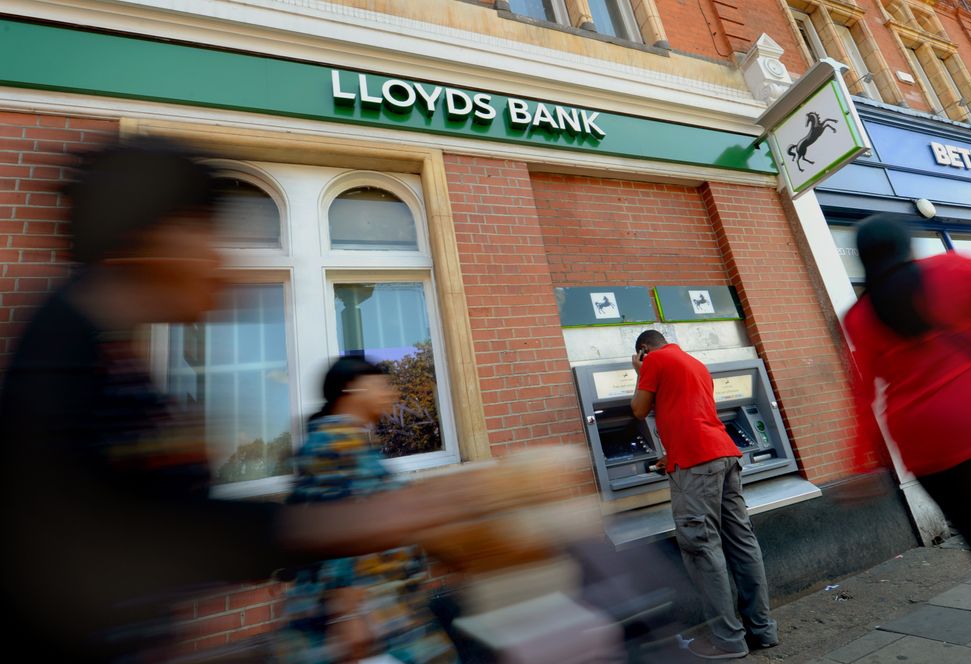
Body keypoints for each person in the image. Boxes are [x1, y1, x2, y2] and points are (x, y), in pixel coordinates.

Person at [0, 138, 561, 661]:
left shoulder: (102, 344)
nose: (226, 263)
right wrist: (398, 518)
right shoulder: (66, 349)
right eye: (212, 235)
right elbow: (153, 537)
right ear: (154, 237)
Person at [277, 357, 458, 663]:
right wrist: (346, 616)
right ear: (351, 387)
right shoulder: (334, 443)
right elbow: (334, 530)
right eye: (381, 385)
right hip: (363, 614)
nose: (391, 393)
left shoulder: (351, 441)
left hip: (383, 605)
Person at [630, 330, 777, 660]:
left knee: (701, 547)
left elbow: (639, 410)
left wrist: (639, 373)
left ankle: (727, 640)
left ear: (643, 350)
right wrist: (672, 453)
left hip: (696, 465)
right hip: (724, 455)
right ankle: (762, 628)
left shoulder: (654, 360)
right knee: (742, 542)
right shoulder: (694, 363)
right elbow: (693, 414)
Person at [844, 216, 971, 554]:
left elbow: (864, 396)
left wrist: (863, 462)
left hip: (923, 447)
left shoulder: (859, 315)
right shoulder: (952, 270)